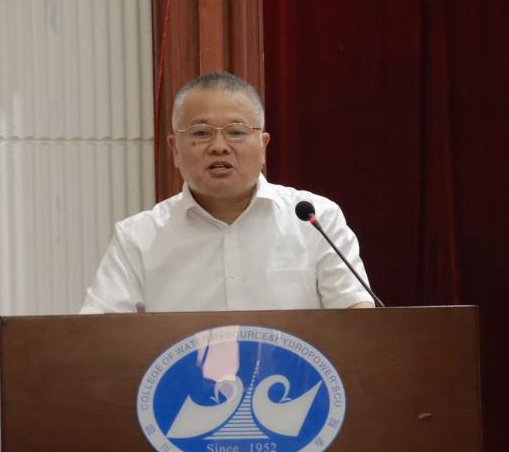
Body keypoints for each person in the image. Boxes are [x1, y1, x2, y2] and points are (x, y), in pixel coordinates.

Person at [80, 71, 375, 313]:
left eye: (236, 132)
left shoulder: (316, 220)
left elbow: (357, 321)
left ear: (263, 145)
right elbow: (99, 338)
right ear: (174, 150)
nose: (219, 146)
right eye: (201, 133)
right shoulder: (138, 238)